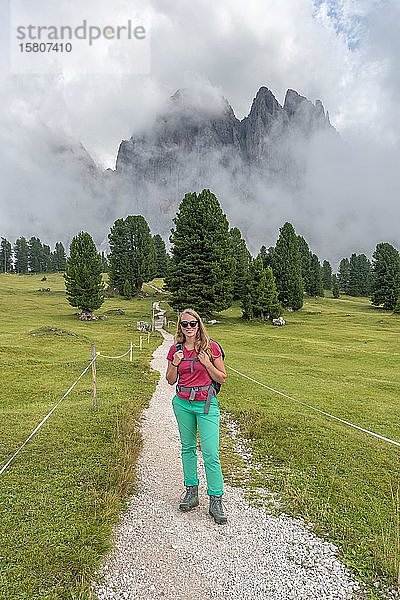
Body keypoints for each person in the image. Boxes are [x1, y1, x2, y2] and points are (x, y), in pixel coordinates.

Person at [166, 308, 227, 524]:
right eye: (185, 324)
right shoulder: (176, 350)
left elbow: (222, 377)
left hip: (206, 404)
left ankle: (216, 499)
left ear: (199, 324)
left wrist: (206, 363)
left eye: (193, 323)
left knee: (211, 452)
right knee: (188, 448)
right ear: (180, 327)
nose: (189, 328)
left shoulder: (211, 348)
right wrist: (174, 363)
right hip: (183, 404)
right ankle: (191, 492)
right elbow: (170, 380)